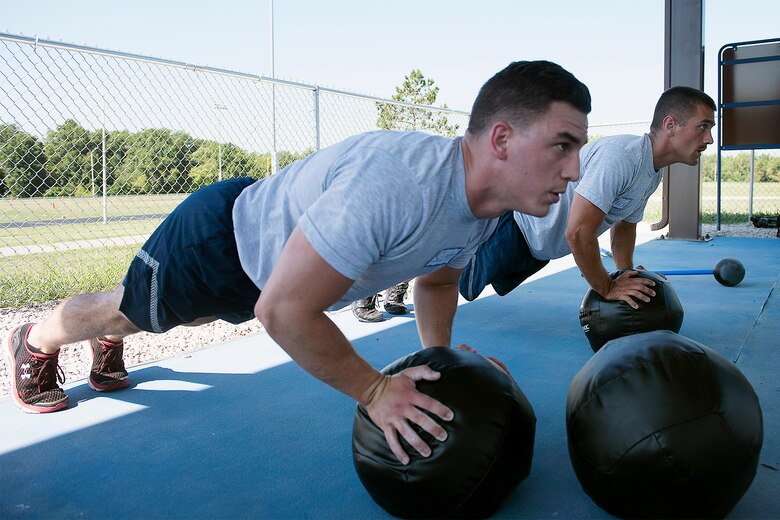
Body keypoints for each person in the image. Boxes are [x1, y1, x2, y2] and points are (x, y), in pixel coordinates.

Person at [6, 60, 591, 465]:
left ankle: (112, 337)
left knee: (182, 319)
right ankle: (36, 338)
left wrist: (439, 356)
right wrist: (375, 390)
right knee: (125, 313)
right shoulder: (399, 182)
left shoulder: (484, 207)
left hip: (271, 262)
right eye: (562, 145)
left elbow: (437, 277)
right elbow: (283, 311)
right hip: (220, 247)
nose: (574, 171)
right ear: (504, 139)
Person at [459, 86, 716, 308]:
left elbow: (625, 225)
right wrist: (607, 287)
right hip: (513, 225)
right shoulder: (621, 157)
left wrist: (625, 272)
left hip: (538, 246)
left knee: (471, 283)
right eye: (703, 127)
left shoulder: (652, 172)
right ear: (670, 125)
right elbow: (579, 231)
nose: (709, 139)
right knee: (449, 277)